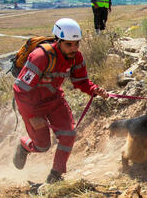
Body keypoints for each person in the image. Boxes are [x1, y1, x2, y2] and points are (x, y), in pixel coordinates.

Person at [12, 18, 109, 183]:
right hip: (32, 105)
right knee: (42, 146)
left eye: (76, 44)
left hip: (54, 100)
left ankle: (55, 176)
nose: (74, 48)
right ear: (58, 41)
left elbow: (81, 81)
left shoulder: (76, 57)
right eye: (69, 44)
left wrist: (94, 89)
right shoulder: (40, 56)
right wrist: (32, 116)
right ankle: (24, 145)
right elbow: (20, 90)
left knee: (68, 134)